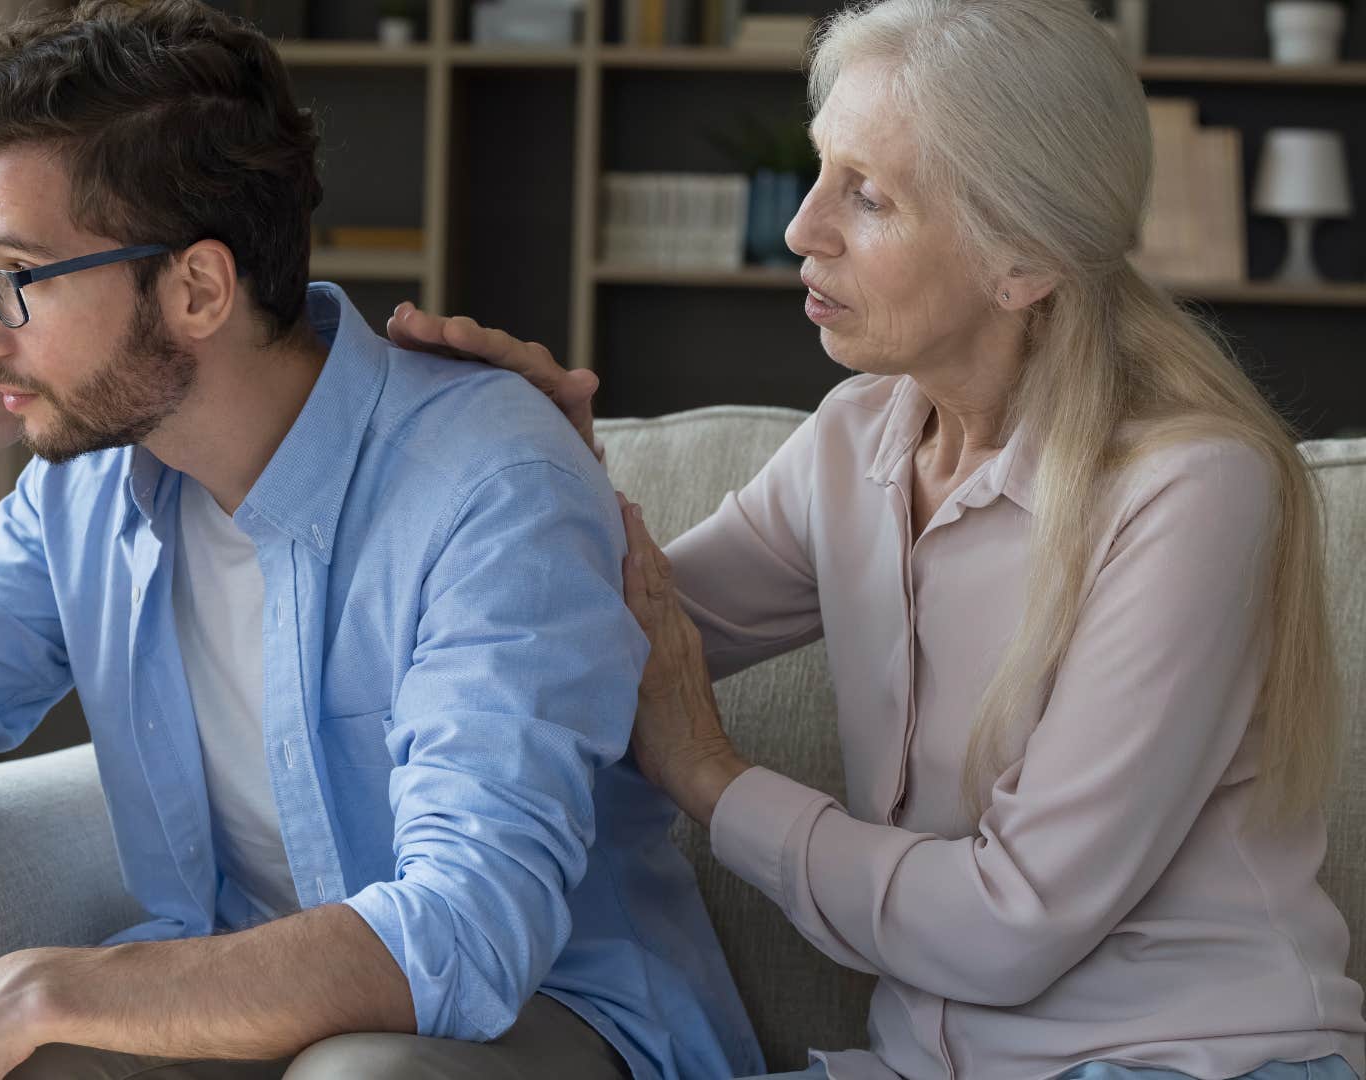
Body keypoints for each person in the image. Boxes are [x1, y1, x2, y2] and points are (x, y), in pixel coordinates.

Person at [386, 1, 1366, 1077]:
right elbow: (606, 636)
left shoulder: (1190, 490)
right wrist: (540, 468)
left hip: (1192, 1062)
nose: (804, 227)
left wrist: (711, 777)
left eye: (869, 195)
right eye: (820, 172)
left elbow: (1012, 924)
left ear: (1022, 262)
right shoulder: (855, 443)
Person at [0, 2, 761, 1078]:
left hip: (549, 1017)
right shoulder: (94, 490)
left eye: (14, 278)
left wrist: (41, 984)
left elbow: (468, 937)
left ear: (197, 288)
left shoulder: (493, 484)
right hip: (242, 997)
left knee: (361, 1076)